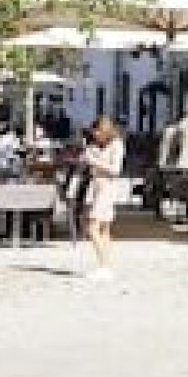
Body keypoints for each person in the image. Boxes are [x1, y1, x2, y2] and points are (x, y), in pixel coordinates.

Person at [80, 116, 126, 280]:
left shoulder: (116, 145)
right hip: (97, 186)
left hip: (108, 186)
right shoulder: (95, 146)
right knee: (104, 228)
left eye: (97, 132)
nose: (95, 135)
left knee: (92, 227)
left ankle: (104, 266)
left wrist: (93, 161)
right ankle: (105, 265)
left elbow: (115, 169)